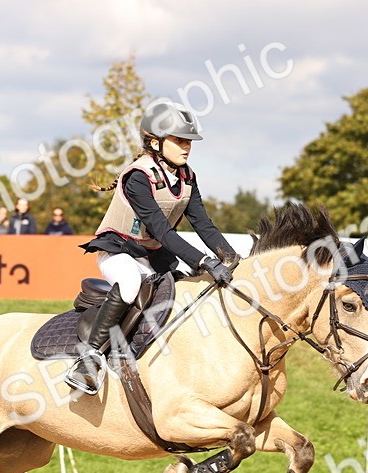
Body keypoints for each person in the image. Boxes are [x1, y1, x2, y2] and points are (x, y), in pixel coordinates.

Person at [65, 99, 238, 394]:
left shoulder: (187, 177)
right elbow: (163, 230)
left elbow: (204, 224)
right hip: (118, 249)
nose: (187, 146)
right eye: (179, 139)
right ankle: (89, 357)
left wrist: (232, 257)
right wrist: (204, 261)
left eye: (189, 141)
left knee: (187, 286)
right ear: (154, 142)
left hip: (152, 253)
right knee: (131, 284)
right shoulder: (138, 177)